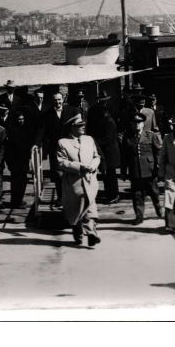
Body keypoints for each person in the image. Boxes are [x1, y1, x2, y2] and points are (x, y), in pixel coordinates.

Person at [57, 114, 101, 247]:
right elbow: (61, 162)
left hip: (89, 180)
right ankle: (78, 234)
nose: (83, 127)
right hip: (74, 183)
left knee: (91, 207)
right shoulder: (63, 142)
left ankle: (91, 234)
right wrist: (80, 167)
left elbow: (96, 156)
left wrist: (93, 166)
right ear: (72, 128)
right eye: (79, 125)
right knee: (77, 209)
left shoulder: (89, 139)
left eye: (83, 125)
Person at [121, 112, 163, 224]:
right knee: (137, 195)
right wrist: (123, 172)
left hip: (150, 170)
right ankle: (139, 216)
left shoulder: (151, 135)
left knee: (154, 192)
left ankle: (158, 207)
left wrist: (159, 167)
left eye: (139, 122)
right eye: (134, 122)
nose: (137, 124)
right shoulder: (127, 138)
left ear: (143, 124)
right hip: (135, 170)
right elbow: (124, 157)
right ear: (131, 124)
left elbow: (158, 152)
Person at [43, 92, 78, 207]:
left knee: (70, 172)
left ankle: (71, 197)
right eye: (55, 100)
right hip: (55, 148)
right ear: (52, 101)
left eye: (59, 99)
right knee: (58, 175)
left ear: (63, 100)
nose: (57, 102)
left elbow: (78, 127)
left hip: (69, 147)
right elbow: (42, 131)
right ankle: (60, 197)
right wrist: (37, 144)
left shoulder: (72, 110)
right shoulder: (47, 114)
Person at [86, 89, 119, 204]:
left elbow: (108, 138)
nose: (103, 103)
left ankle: (114, 195)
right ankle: (109, 193)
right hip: (102, 148)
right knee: (105, 173)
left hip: (109, 150)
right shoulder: (96, 113)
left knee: (111, 174)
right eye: (101, 101)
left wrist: (94, 142)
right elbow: (91, 127)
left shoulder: (109, 120)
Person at [5, 110, 33, 209]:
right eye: (19, 119)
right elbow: (9, 148)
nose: (21, 121)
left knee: (23, 181)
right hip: (15, 161)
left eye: (22, 119)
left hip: (23, 161)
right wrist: (10, 163)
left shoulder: (25, 130)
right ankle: (15, 202)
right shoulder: (12, 131)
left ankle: (19, 200)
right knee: (16, 182)